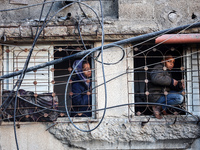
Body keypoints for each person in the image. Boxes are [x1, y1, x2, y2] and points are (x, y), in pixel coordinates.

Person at [148, 54, 184, 119]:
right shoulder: (158, 67)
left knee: (183, 91)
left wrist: (179, 86)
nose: (171, 64)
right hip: (156, 96)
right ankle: (159, 107)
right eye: (169, 61)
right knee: (179, 98)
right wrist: (171, 81)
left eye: (173, 62)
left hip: (163, 94)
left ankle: (162, 108)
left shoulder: (167, 72)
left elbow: (169, 85)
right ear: (163, 61)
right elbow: (156, 79)